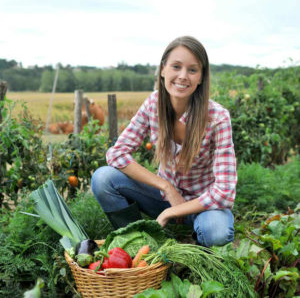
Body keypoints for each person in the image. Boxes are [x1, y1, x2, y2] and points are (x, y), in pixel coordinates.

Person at [91, 36, 237, 247]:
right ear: (162, 70)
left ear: (201, 77)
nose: (183, 76)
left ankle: (196, 244)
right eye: (176, 66)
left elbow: (224, 192)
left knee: (215, 232)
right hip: (161, 198)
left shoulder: (217, 118)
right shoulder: (153, 104)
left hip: (204, 206)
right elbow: (116, 154)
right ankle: (141, 242)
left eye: (192, 70)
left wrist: (174, 210)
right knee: (103, 178)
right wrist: (167, 187)